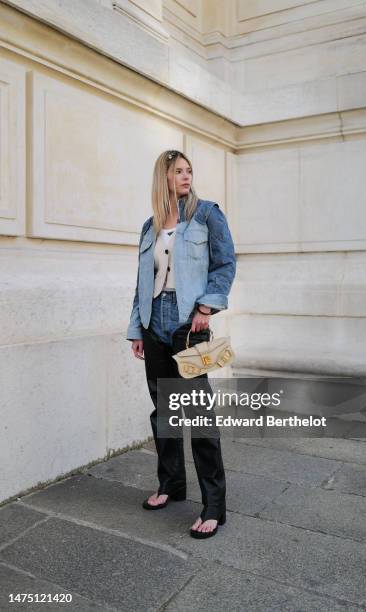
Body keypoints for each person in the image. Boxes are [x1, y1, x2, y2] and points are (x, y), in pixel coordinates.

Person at [126, 149, 236, 539]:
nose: (186, 176)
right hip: (154, 321)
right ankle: (171, 483)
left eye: (189, 170)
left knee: (199, 415)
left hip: (192, 323)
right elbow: (142, 282)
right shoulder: (149, 226)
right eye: (178, 171)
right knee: (164, 411)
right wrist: (137, 329)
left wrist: (207, 306)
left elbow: (226, 264)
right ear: (164, 177)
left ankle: (214, 504)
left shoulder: (207, 214)